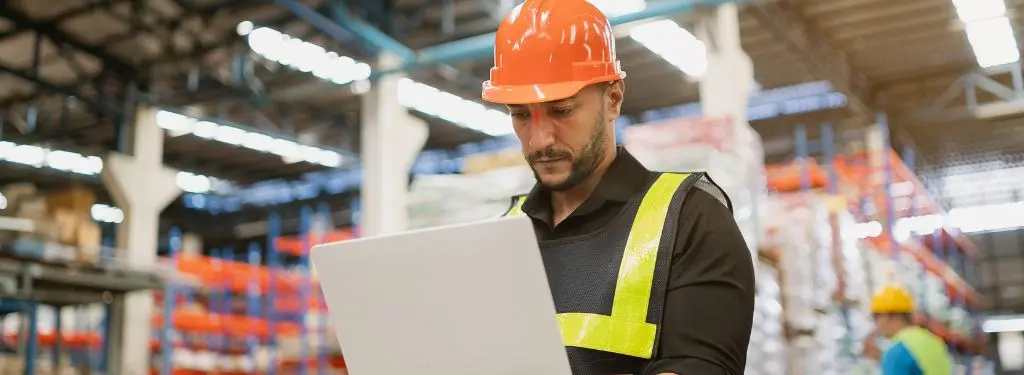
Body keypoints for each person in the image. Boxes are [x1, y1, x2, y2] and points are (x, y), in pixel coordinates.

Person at [482, 0, 755, 374]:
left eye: (562, 110)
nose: (540, 139)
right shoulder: (503, 236)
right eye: (521, 115)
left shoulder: (691, 219)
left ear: (613, 98)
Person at [863, 285, 953, 375]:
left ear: (893, 316)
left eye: (876, 316)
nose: (876, 324)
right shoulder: (933, 340)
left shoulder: (895, 353)